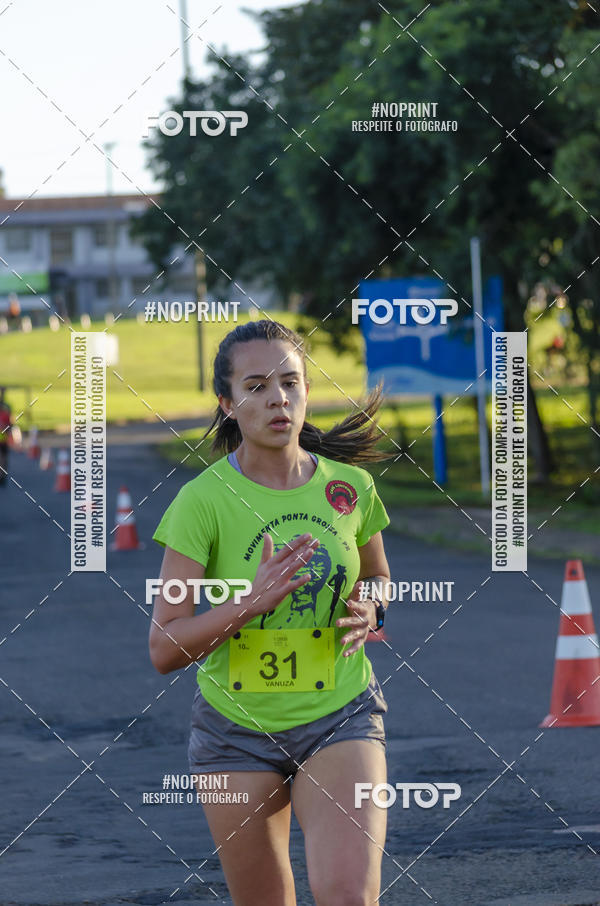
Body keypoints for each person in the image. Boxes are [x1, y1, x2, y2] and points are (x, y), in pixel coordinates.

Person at [150, 320, 393, 906]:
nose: (277, 398)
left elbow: (380, 578)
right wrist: (250, 602)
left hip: (339, 714)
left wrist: (373, 608)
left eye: (290, 382)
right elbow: (164, 648)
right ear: (227, 404)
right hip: (235, 734)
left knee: (348, 896)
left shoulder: (350, 488)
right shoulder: (201, 502)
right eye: (256, 386)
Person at [0, 387, 12, 485]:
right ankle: (2, 476)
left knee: (3, 458)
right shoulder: (6, 411)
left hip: (3, 440)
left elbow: (9, 425)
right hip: (3, 439)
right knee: (3, 458)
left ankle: (2, 476)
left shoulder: (6, 413)